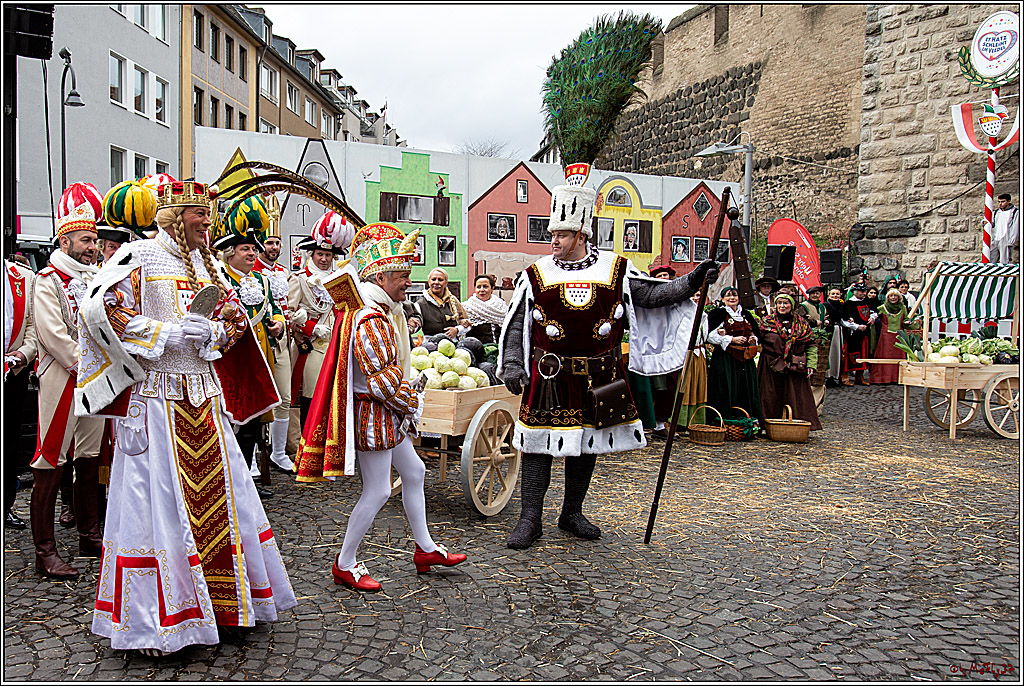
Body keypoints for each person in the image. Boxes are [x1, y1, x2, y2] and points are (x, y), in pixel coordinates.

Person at [75, 179, 295, 656]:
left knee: (223, 502)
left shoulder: (206, 262)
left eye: (209, 215)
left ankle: (224, 606)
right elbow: (98, 311)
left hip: (203, 398)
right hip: (156, 399)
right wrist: (165, 334)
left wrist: (213, 333)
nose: (208, 223)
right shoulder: (138, 256)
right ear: (176, 216)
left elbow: (236, 322)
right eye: (201, 215)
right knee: (158, 506)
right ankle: (160, 622)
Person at [497, 163, 719, 549]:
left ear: (581, 234)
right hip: (549, 376)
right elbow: (517, 323)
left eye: (561, 234)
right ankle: (530, 518)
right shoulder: (536, 273)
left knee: (588, 443)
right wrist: (514, 363)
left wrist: (692, 280)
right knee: (536, 445)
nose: (553, 240)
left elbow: (652, 295)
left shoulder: (614, 268)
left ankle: (572, 512)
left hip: (599, 376)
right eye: (553, 233)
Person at [293, 222, 467, 591]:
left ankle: (425, 549)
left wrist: (405, 402)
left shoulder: (378, 310)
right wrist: (413, 402)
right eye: (402, 276)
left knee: (415, 471)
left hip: (384, 413)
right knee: (378, 490)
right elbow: (381, 382)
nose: (408, 282)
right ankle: (345, 562)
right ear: (382, 277)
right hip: (374, 415)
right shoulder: (371, 317)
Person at [29, 182, 106, 579]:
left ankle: (90, 535)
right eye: (85, 240)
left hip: (96, 380)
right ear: (65, 240)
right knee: (52, 458)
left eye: (94, 240)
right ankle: (45, 551)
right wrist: (90, 365)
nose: (93, 247)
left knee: (89, 455)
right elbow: (53, 335)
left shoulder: (98, 277)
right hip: (63, 379)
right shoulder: (48, 279)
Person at [215, 197, 284, 498]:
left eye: (254, 249)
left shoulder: (261, 280)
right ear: (230, 252)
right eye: (246, 249)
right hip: (232, 359)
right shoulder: (218, 278)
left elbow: (273, 310)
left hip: (261, 356)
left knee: (253, 423)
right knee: (233, 422)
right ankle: (228, 482)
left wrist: (278, 323)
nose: (252, 254)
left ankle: (244, 483)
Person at [290, 219, 347, 429]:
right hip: (311, 344)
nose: (324, 259)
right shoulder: (299, 279)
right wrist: (312, 328)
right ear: (311, 255)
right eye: (320, 254)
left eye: (328, 255)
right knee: (311, 394)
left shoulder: (338, 279)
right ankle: (307, 436)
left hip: (334, 343)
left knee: (332, 395)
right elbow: (289, 315)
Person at [251, 201, 295, 472]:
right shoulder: (251, 271)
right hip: (259, 341)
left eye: (278, 242)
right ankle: (253, 455)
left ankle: (278, 452)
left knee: (285, 398)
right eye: (269, 242)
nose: (274, 247)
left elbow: (283, 307)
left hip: (282, 341)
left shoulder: (282, 272)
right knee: (258, 399)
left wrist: (285, 324)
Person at [5, 258, 38, 529]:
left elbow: (32, 327)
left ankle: (5, 505)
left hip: (11, 373)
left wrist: (23, 354)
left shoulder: (23, 278)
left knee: (8, 442)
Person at [757, 294, 822, 430]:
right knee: (770, 397)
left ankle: (795, 428)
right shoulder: (767, 322)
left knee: (795, 398)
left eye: (786, 303)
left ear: (792, 306)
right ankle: (769, 427)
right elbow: (757, 340)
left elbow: (811, 345)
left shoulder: (801, 324)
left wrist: (811, 365)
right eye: (779, 303)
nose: (782, 306)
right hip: (771, 365)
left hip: (794, 366)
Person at [706, 287, 763, 424]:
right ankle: (723, 420)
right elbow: (709, 336)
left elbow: (756, 333)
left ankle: (745, 421)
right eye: (728, 296)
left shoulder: (746, 314)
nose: (732, 298)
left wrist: (753, 339)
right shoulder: (718, 314)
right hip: (725, 358)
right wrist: (731, 339)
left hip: (745, 359)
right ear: (722, 299)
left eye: (735, 295)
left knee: (745, 388)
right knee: (725, 388)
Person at [414, 267, 470, 339]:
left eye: (440, 280)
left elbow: (468, 324)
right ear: (429, 282)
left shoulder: (453, 300)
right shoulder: (420, 304)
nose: (436, 282)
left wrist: (457, 330)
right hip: (430, 344)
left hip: (453, 343)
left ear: (446, 283)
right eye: (433, 279)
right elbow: (415, 325)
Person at [870, 289, 911, 384]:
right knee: (885, 356)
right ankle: (883, 378)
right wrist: (872, 318)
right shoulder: (882, 308)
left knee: (898, 356)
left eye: (895, 296)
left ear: (899, 297)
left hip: (898, 336)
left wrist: (907, 322)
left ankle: (897, 378)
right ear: (887, 298)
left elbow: (905, 318)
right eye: (891, 296)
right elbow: (874, 315)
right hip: (886, 336)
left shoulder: (903, 308)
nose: (893, 298)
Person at [840, 283, 875, 386]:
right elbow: (844, 319)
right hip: (852, 334)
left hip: (865, 333)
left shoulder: (867, 301)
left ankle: (860, 376)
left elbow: (873, 311)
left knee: (864, 353)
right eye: (861, 291)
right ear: (855, 292)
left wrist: (873, 317)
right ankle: (844, 376)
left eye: (864, 291)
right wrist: (856, 326)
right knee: (849, 354)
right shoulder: (848, 304)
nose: (863, 293)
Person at [462, 274, 508, 344]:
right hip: (474, 348)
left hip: (499, 348)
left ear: (492, 288)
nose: (482, 290)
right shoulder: (466, 307)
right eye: (478, 287)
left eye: (485, 286)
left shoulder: (502, 307)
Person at [823, 287, 846, 387]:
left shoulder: (842, 305)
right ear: (829, 295)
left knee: (837, 353)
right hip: (830, 330)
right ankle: (828, 376)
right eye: (833, 294)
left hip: (838, 329)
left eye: (837, 294)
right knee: (830, 353)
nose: (835, 296)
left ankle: (835, 376)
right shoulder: (825, 305)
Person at [991, 193, 1019, 264]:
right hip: (996, 238)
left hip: (1006, 239)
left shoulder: (1014, 212)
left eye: (1003, 201)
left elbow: (1016, 227)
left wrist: (1011, 241)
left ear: (1008, 201)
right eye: (999, 202)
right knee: (991, 260)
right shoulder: (996, 212)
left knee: (1004, 261)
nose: (1000, 204)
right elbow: (991, 223)